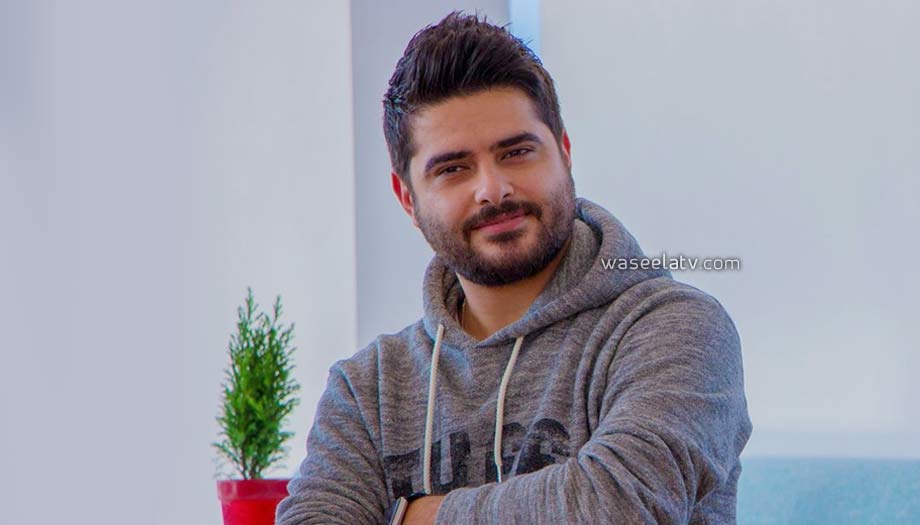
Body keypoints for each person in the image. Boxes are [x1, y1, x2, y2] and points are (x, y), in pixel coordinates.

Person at [276, 11, 751, 525]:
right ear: (407, 198)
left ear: (564, 153)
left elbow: (617, 507)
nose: (493, 189)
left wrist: (420, 517)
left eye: (517, 152)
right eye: (453, 168)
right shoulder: (367, 389)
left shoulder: (675, 329)